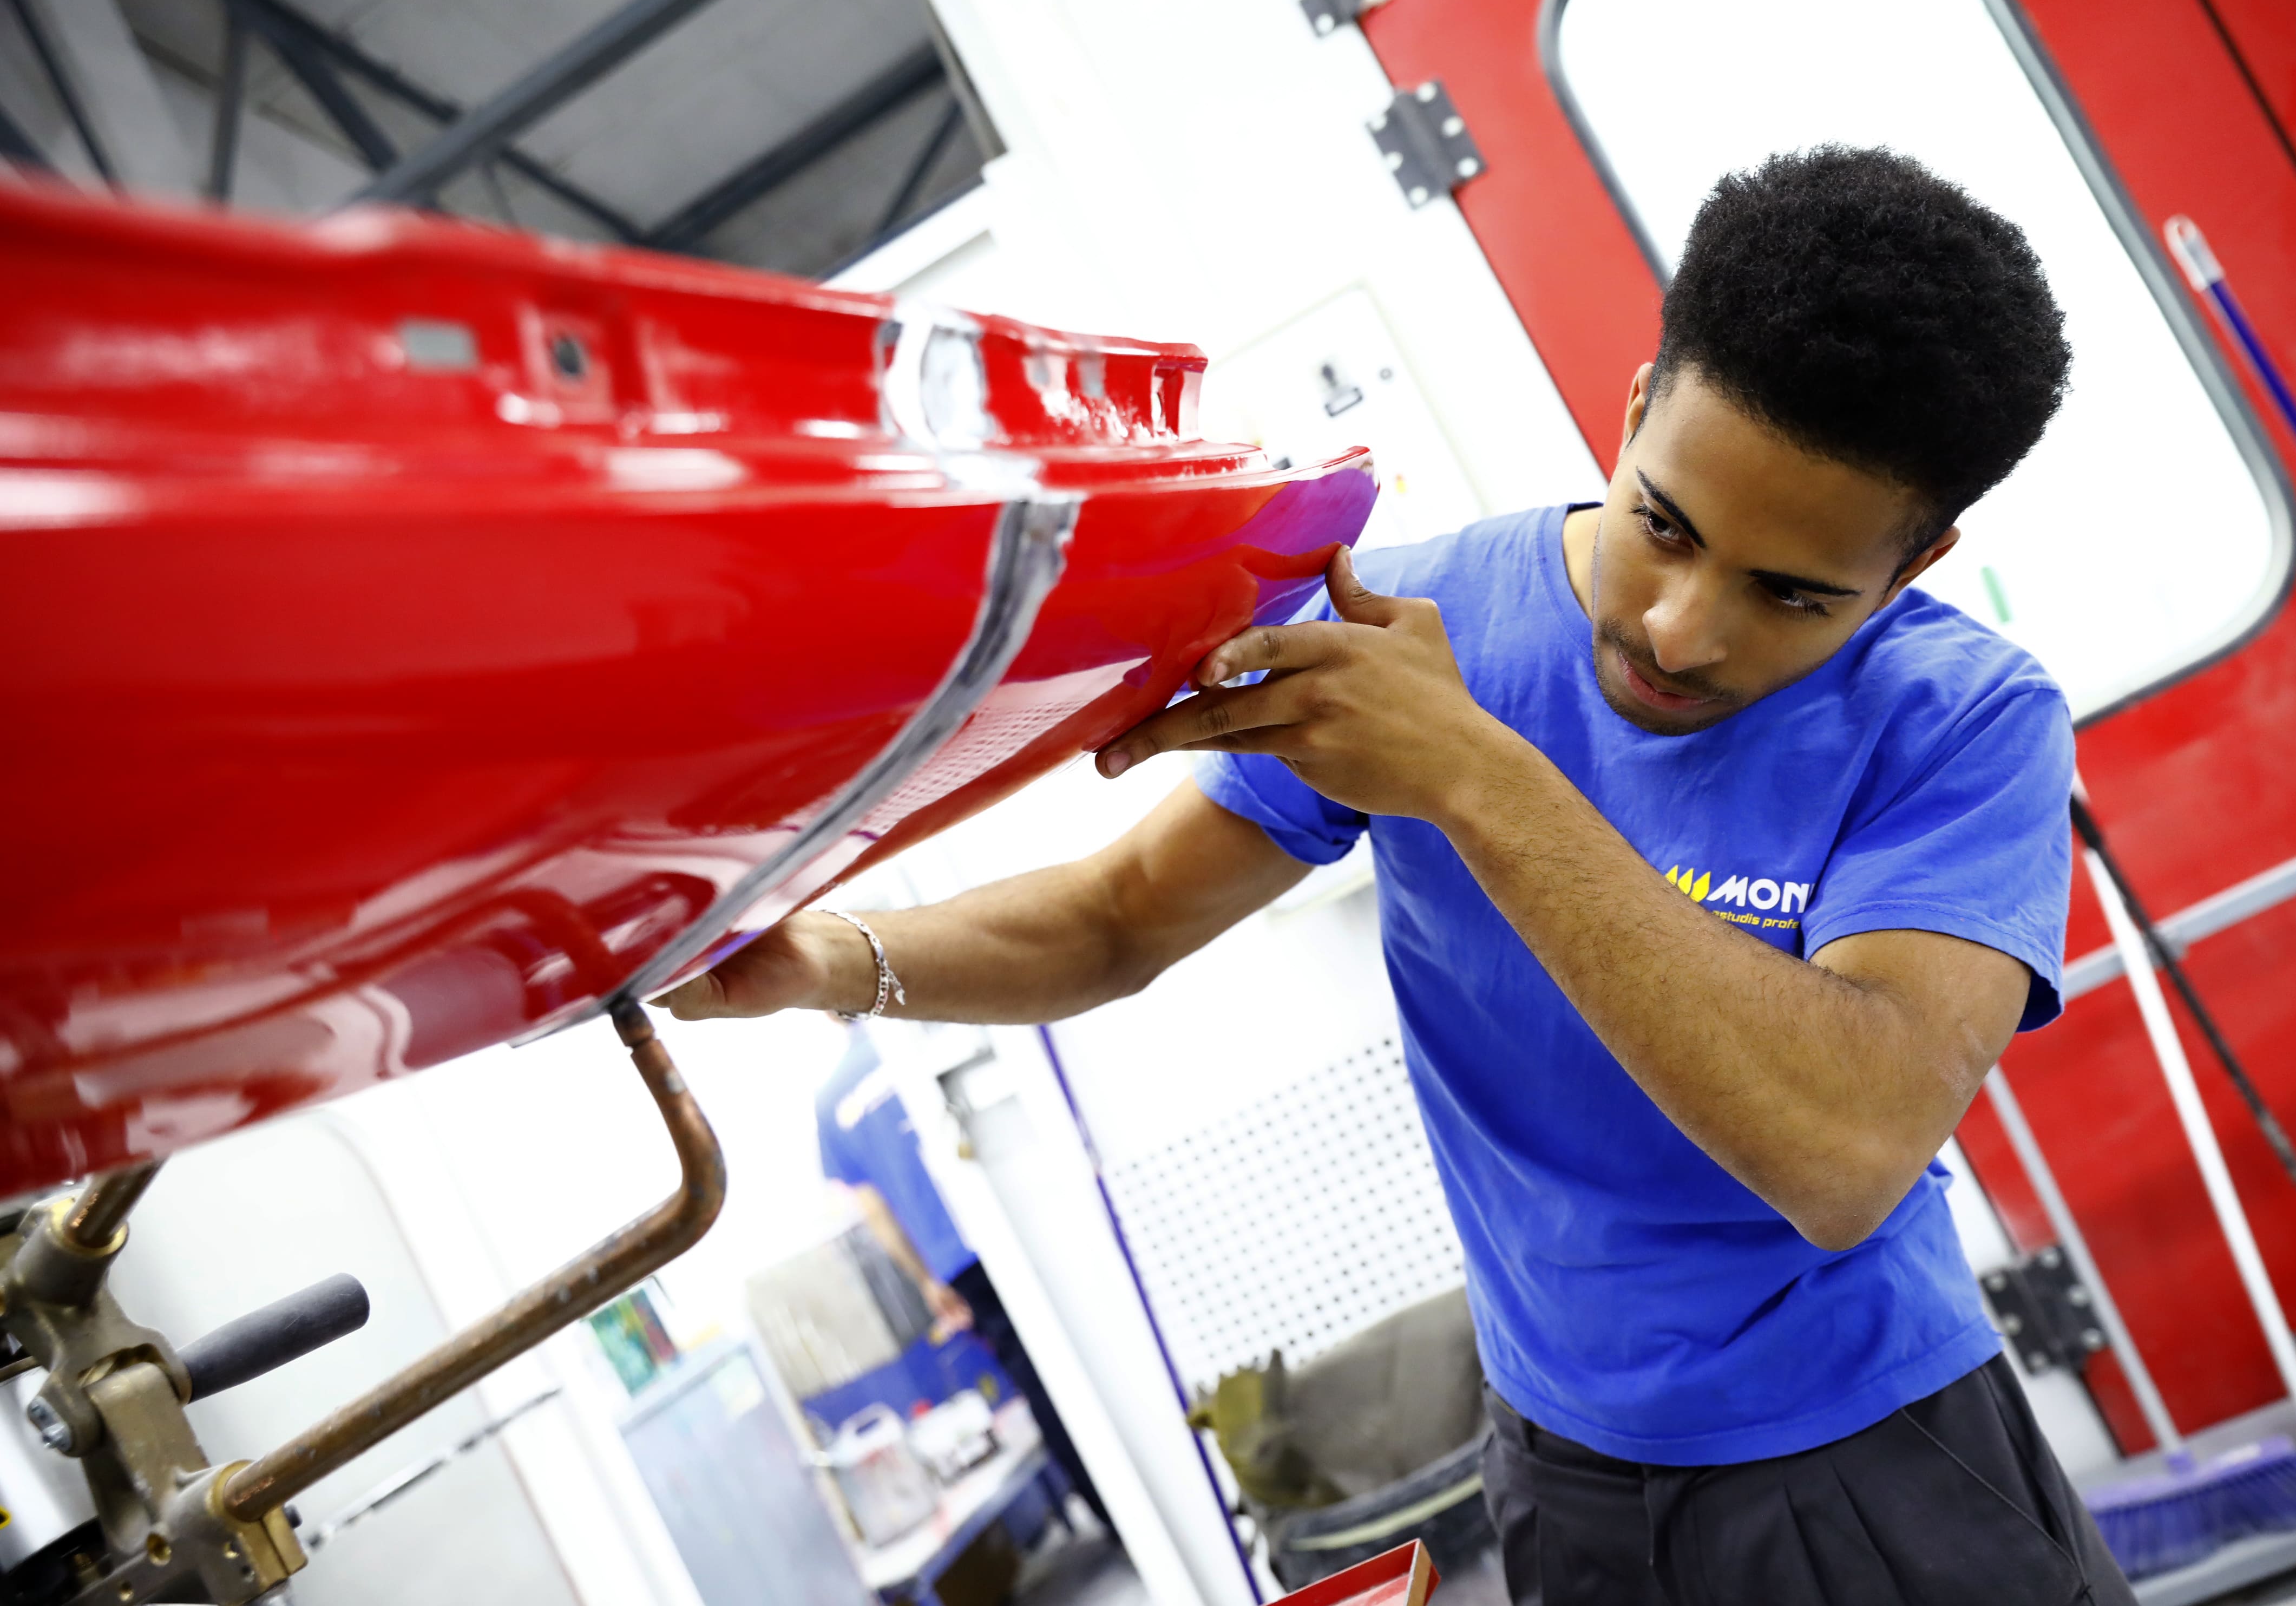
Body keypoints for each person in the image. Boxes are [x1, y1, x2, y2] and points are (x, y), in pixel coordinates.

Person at [673, 147, 2129, 1604]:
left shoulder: (1964, 723)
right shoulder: (1431, 624)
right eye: (1664, 526)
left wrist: (1479, 776)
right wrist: (831, 957)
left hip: (1871, 1461)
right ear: (1632, 415)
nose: (1682, 629)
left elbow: (1842, 1154)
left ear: (1915, 564)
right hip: (1563, 1470)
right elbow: (1116, 920)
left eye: (1791, 594)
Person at [815, 1021, 1116, 1537]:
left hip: (956, 1262)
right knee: (1097, 1343)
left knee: (1039, 1384)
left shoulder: (831, 1104)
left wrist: (926, 1279)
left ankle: (1114, 1515)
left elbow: (874, 1209)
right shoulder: (933, 1029)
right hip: (1022, 1220)